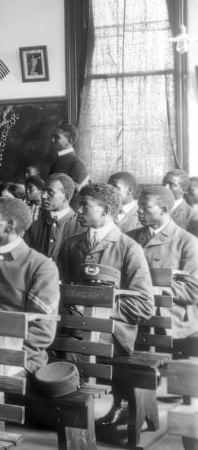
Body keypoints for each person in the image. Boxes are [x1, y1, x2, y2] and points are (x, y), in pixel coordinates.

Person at [56, 183, 154, 427]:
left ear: (106, 210)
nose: (78, 210)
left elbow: (144, 305)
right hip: (74, 327)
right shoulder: (70, 245)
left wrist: (95, 309)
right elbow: (58, 291)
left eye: (85, 206)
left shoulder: (128, 248)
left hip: (113, 333)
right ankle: (65, 413)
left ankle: (75, 423)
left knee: (69, 348)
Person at [0, 198, 60, 375]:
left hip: (22, 359)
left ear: (9, 226)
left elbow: (42, 330)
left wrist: (0, 354)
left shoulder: (41, 266)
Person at [127, 186, 198, 360]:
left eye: (145, 206)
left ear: (165, 210)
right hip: (134, 321)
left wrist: (156, 290)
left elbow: (193, 290)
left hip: (171, 326)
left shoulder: (187, 242)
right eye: (139, 206)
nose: (139, 211)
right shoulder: (129, 238)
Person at [24, 173, 83, 261]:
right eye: (44, 191)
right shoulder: (33, 219)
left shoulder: (81, 226)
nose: (43, 196)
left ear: (66, 197)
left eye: (50, 193)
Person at [49, 123, 90, 188]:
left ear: (70, 140)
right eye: (52, 136)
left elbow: (80, 194)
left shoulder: (77, 164)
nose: (52, 140)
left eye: (57, 137)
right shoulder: (57, 159)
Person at [163, 169, 198, 237]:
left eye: (172, 185)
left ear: (184, 190)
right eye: (164, 183)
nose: (165, 187)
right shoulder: (152, 207)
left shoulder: (192, 216)